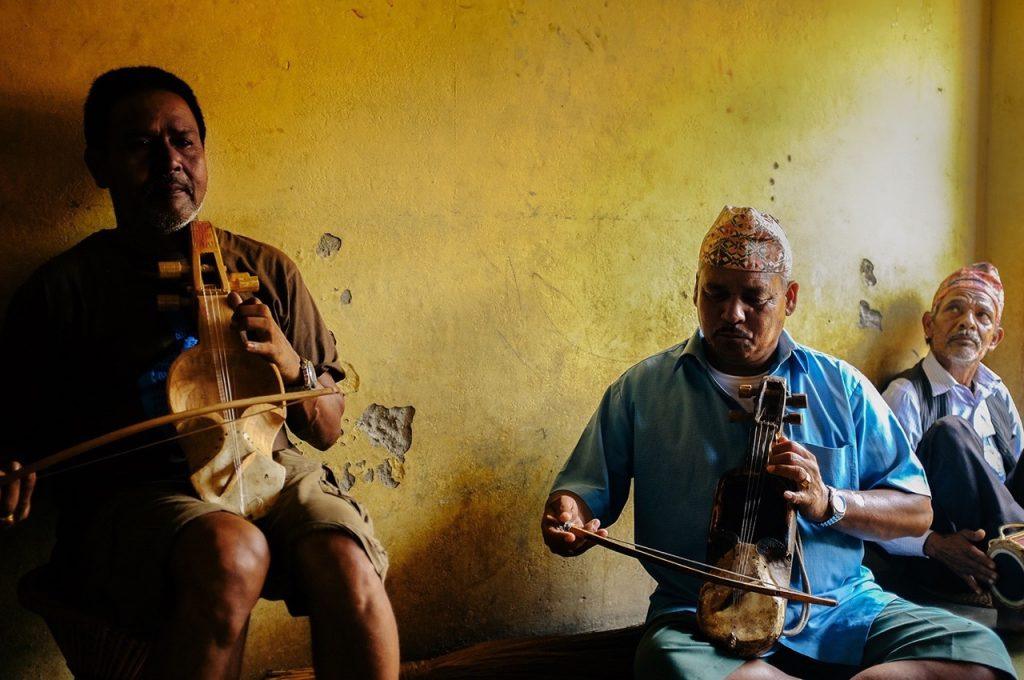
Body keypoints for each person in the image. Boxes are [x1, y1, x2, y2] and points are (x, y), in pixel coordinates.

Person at [0, 67, 399, 680]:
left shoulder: (266, 267)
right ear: (98, 166)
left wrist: (289, 361)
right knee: (231, 551)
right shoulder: (63, 289)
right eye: (140, 145)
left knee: (347, 561)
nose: (169, 162)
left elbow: (326, 430)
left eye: (184, 142)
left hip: (268, 464)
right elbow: (18, 434)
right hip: (140, 494)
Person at [541, 206, 1014, 679]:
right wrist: (570, 517)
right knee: (670, 663)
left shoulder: (841, 388)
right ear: (694, 291)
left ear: (789, 298)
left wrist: (829, 500)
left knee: (977, 654)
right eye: (716, 294)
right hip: (702, 613)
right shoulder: (642, 389)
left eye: (754, 298)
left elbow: (917, 510)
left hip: (841, 609)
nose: (732, 313)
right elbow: (582, 493)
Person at [879, 263, 1024, 623]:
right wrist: (934, 545)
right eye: (955, 309)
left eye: (982, 315)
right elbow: (875, 502)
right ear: (930, 325)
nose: (968, 322)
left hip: (1007, 542)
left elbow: (1016, 477)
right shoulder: (906, 395)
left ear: (994, 339)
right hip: (951, 557)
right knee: (949, 433)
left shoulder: (997, 393)